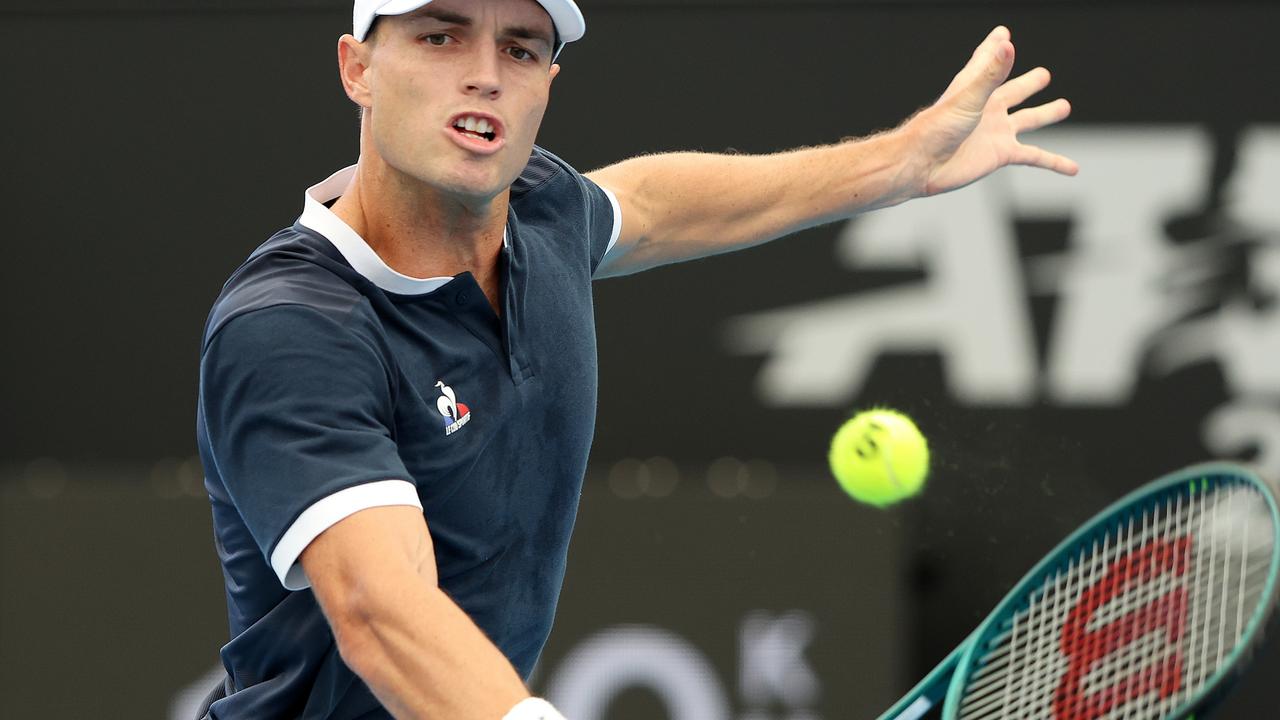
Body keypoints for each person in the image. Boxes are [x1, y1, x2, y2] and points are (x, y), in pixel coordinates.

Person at [195, 0, 1077, 717]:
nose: (484, 73)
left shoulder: (541, 208)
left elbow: (651, 203)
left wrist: (899, 161)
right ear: (358, 68)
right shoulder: (293, 328)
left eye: (522, 48)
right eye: (439, 34)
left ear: (548, 83)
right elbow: (382, 612)